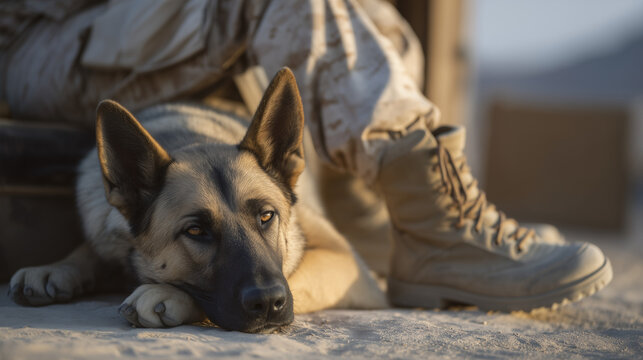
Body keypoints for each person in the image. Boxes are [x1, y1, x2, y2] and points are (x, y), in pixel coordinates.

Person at [0, 0, 612, 311]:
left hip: (142, 38)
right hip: (45, 33)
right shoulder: (141, 211)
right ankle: (437, 231)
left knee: (383, 21)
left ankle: (403, 213)